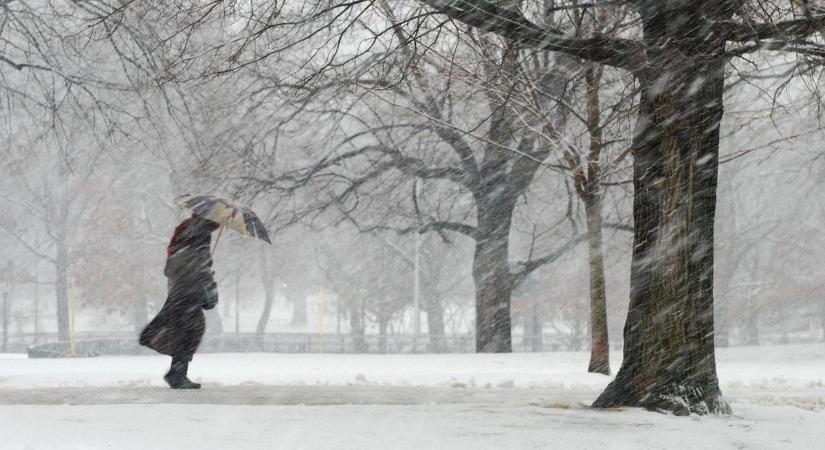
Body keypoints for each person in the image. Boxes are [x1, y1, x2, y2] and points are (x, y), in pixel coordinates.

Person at [140, 214, 220, 389]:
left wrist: (203, 268)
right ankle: (177, 374)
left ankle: (177, 372)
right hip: (188, 290)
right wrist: (205, 272)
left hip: (180, 289)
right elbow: (196, 261)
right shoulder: (201, 231)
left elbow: (177, 261)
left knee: (185, 331)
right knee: (189, 332)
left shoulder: (189, 229)